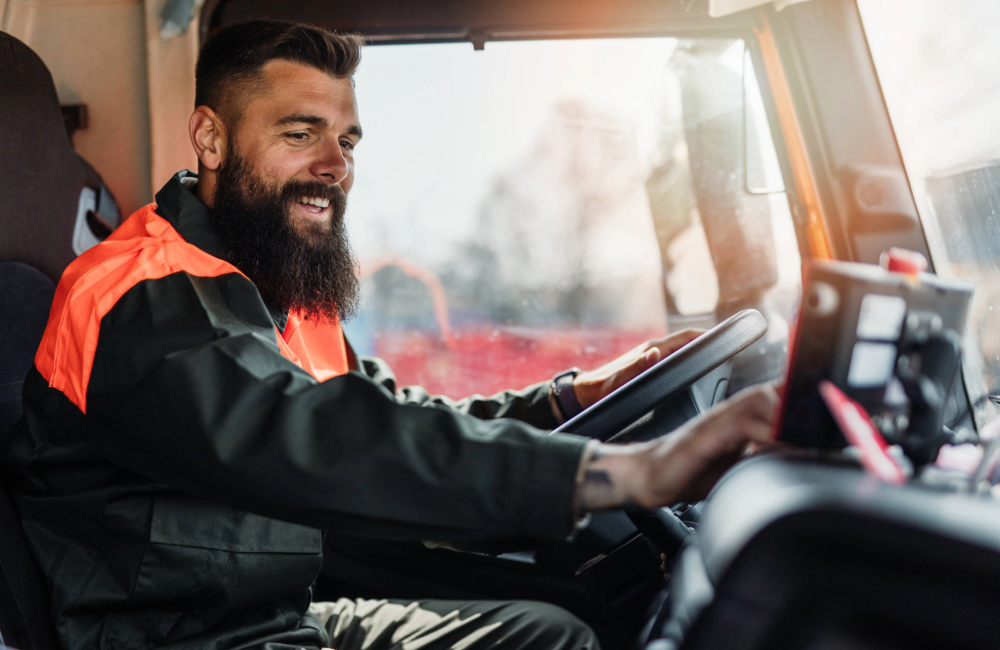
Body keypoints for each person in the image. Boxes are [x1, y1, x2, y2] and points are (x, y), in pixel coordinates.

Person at [5, 20, 779, 650]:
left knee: (552, 634)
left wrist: (575, 395)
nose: (334, 165)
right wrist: (624, 472)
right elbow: (318, 440)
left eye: (346, 142)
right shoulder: (134, 298)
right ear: (210, 140)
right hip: (175, 640)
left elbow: (390, 415)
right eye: (301, 133)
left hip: (278, 621)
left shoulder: (280, 290)